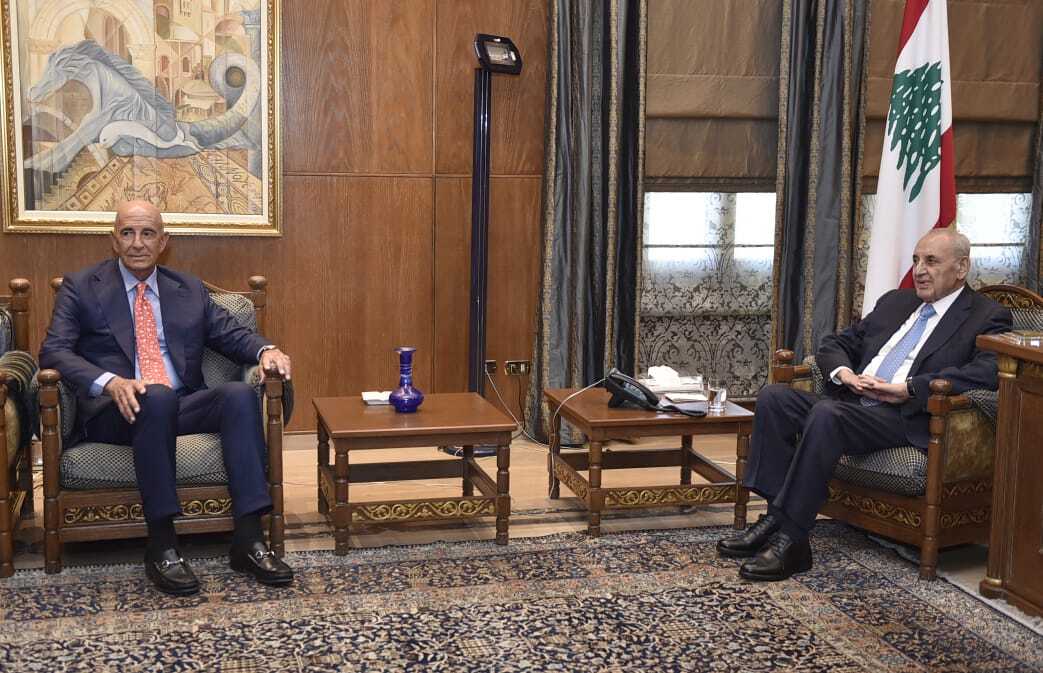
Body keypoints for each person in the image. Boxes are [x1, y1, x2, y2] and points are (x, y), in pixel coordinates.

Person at [717, 228, 1012, 581]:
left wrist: (909, 388)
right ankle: (773, 518)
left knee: (827, 414)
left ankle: (792, 539)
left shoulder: (987, 315)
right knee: (773, 397)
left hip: (904, 415)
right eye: (917, 260)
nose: (919, 270)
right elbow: (837, 343)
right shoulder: (896, 302)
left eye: (931, 261)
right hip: (855, 400)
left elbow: (988, 371)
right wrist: (845, 374)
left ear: (961, 268)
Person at [40, 200, 294, 596]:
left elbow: (231, 333)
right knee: (154, 397)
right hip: (116, 412)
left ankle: (248, 538)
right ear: (114, 240)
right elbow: (54, 352)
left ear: (164, 242)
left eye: (147, 233)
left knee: (239, 395)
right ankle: (162, 544)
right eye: (127, 233)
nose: (137, 243)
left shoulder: (187, 289)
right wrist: (109, 382)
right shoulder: (81, 287)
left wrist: (266, 351)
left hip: (176, 405)